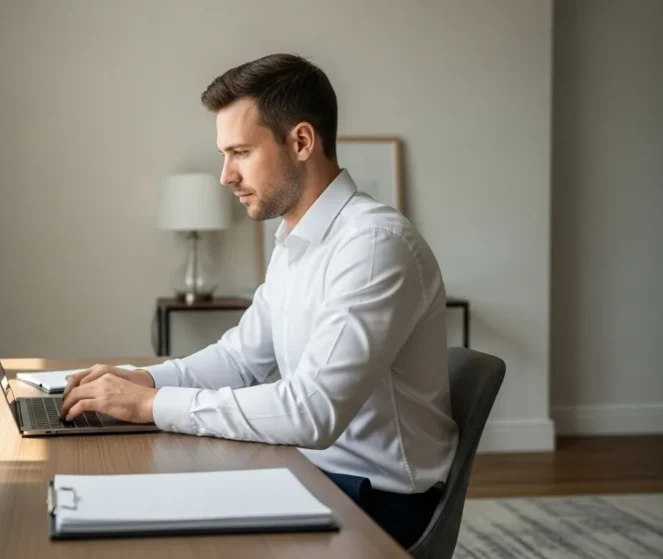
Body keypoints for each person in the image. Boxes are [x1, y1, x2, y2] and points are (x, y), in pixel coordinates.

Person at [60, 53, 457, 549]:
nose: (225, 175)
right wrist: (143, 380)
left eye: (240, 152)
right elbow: (242, 357)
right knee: (137, 502)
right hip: (309, 473)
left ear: (302, 141)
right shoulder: (294, 238)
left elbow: (312, 412)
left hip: (375, 503)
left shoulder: (374, 245)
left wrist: (150, 405)